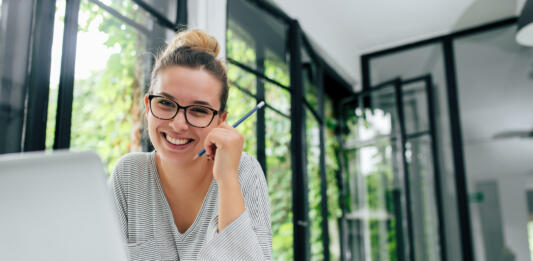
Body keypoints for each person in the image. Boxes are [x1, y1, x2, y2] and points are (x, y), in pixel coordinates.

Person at [110, 29, 272, 260]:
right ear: (148, 106)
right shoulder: (128, 175)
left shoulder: (244, 172)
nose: (178, 124)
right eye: (166, 103)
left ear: (220, 121)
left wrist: (227, 179)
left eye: (198, 110)